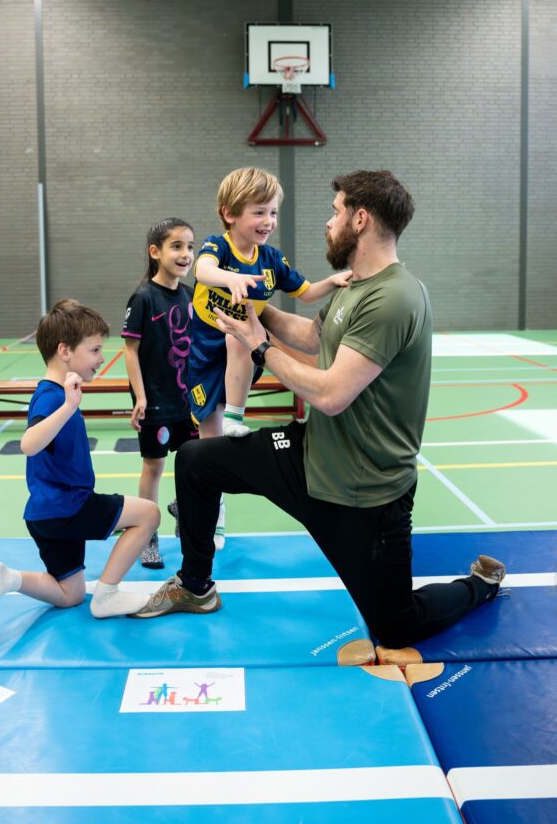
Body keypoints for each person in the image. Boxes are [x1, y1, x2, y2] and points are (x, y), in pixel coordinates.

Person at [132, 170, 506, 653]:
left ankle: (480, 584)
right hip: (312, 455)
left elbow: (331, 394)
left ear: (361, 218)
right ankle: (195, 585)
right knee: (198, 460)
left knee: (396, 627)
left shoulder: (393, 297)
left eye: (334, 212)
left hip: (364, 491)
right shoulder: (353, 287)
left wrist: (260, 347)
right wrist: (251, 305)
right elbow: (310, 337)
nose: (327, 223)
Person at [187, 166, 351, 549]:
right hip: (202, 353)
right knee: (206, 444)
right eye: (259, 212)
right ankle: (217, 512)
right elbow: (203, 269)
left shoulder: (272, 260)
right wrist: (230, 279)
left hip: (236, 346)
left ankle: (235, 416)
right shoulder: (220, 247)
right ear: (230, 213)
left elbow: (306, 293)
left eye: (273, 212)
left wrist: (336, 280)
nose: (268, 221)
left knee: (240, 338)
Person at [0, 299, 158, 622]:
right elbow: (28, 444)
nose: (101, 358)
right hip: (69, 507)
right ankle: (107, 594)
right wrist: (68, 406)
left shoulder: (56, 392)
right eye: (95, 350)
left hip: (45, 516)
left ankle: (8, 577)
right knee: (148, 514)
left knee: (71, 594)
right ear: (65, 351)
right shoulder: (52, 397)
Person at [122, 218, 197, 569]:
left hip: (187, 400)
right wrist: (140, 398)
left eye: (190, 247)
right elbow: (130, 351)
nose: (186, 254)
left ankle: (184, 510)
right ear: (155, 252)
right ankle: (148, 535)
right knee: (154, 466)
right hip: (155, 401)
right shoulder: (142, 298)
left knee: (192, 461)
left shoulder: (190, 293)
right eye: (177, 246)